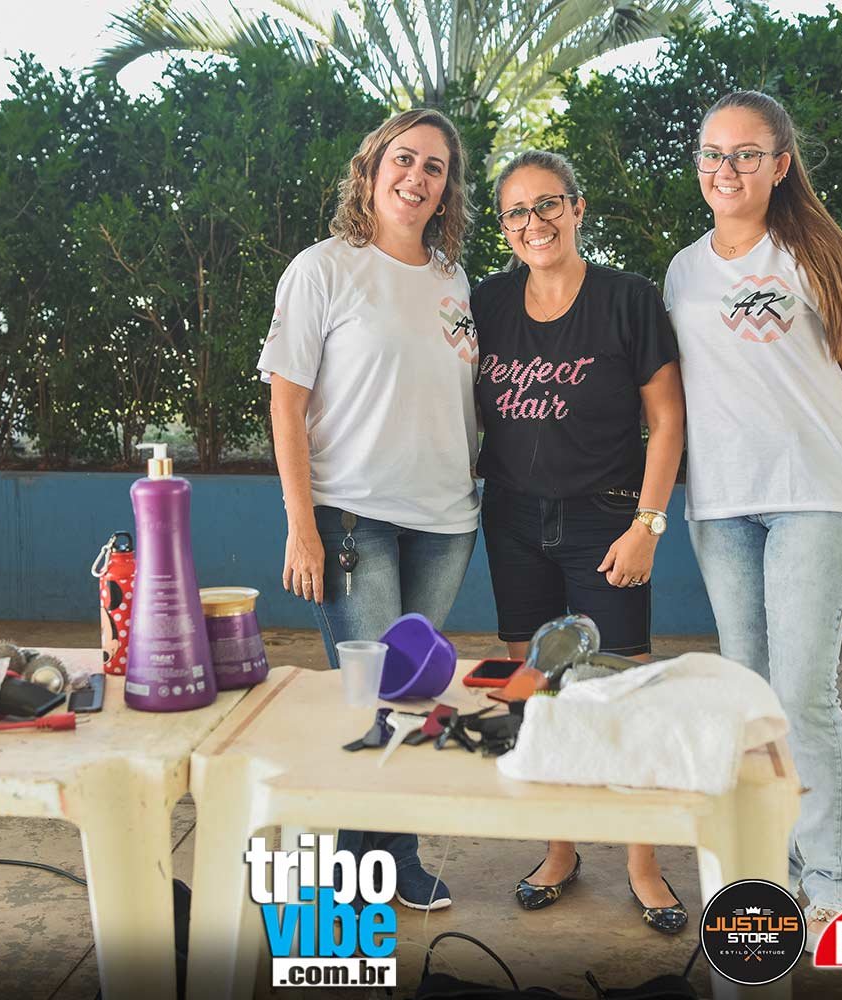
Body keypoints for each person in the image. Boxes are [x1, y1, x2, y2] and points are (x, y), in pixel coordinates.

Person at [663, 90, 842, 948]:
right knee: (754, 698)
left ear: (780, 165)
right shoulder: (683, 272)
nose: (726, 169)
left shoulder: (819, 256)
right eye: (713, 154)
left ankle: (835, 882)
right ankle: (775, 867)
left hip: (816, 495)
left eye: (746, 154)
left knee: (802, 692)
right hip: (721, 505)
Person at [257, 108, 480, 911]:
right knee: (376, 691)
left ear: (447, 190)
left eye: (434, 168)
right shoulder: (323, 268)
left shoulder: (453, 279)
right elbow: (286, 406)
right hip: (354, 520)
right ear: (372, 169)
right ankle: (365, 870)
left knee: (411, 692)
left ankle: (384, 859)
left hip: (447, 523)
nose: (417, 177)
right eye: (404, 160)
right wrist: (302, 527)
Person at [472, 150, 689, 932]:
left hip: (607, 519)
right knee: (542, 693)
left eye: (548, 205)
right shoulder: (487, 301)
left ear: (577, 208)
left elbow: (667, 418)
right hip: (513, 519)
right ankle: (559, 849)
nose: (533, 223)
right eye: (516, 211)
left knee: (619, 692)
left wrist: (648, 524)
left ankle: (643, 864)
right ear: (504, 226)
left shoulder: (628, 299)